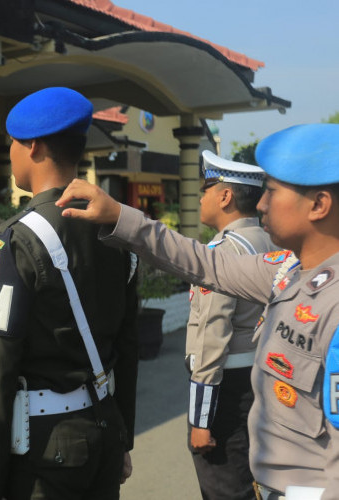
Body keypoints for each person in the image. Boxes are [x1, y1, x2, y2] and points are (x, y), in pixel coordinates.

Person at [56, 123, 339, 499]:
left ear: (319, 205)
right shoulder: (287, 270)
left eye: (271, 192)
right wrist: (120, 216)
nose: (260, 204)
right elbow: (204, 263)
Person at [0, 87, 139, 500]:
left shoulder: (16, 239)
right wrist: (123, 438)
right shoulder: (117, 230)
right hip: (102, 430)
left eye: (11, 142)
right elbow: (128, 349)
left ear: (33, 146)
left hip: (46, 451)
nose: (9, 152)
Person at [185, 151, 276, 500]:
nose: (201, 196)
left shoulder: (222, 251)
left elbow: (212, 335)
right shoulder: (272, 242)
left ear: (225, 196)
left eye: (207, 187)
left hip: (227, 389)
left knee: (225, 488)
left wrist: (200, 419)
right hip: (263, 378)